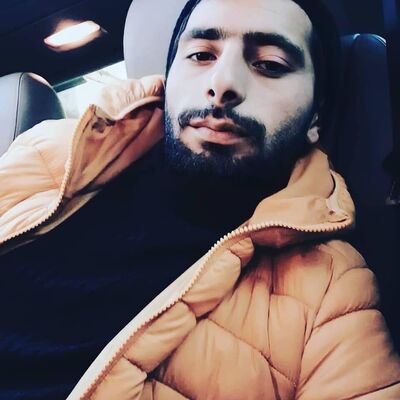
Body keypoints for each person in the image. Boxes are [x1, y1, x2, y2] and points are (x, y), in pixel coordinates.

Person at [0, 0, 399, 399]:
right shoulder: (52, 151)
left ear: (315, 119)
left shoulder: (333, 291)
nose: (223, 83)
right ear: (169, 77)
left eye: (270, 64)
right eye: (201, 55)